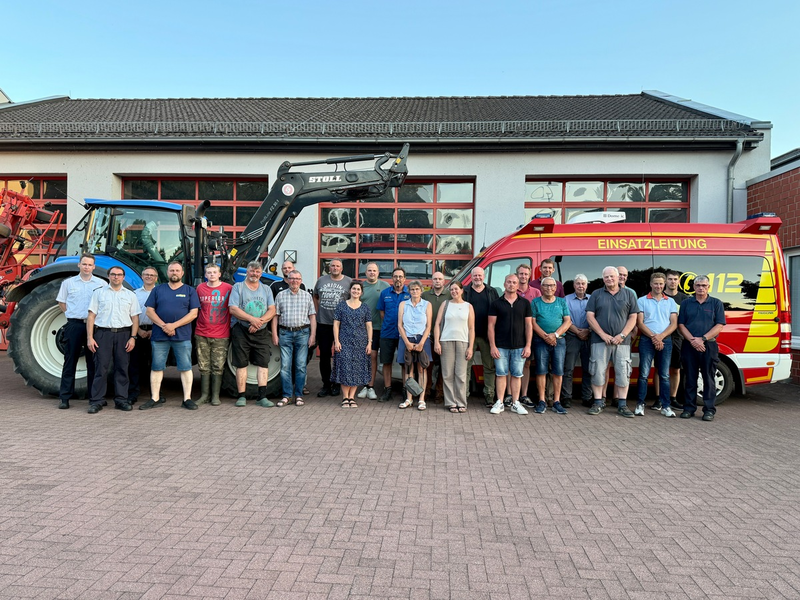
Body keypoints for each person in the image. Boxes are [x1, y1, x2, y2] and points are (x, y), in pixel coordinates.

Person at [141, 261, 200, 410]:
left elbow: (193, 314)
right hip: (160, 336)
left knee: (186, 367)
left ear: (182, 273)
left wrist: (173, 326)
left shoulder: (190, 291)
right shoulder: (158, 290)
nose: (174, 273)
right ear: (167, 273)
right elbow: (149, 311)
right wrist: (164, 326)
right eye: (172, 270)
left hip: (182, 336)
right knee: (157, 367)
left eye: (177, 270)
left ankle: (187, 398)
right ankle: (155, 398)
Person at [585, 266, 639, 417]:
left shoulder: (629, 294)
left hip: (622, 342)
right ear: (603, 279)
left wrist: (622, 335)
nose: (609, 279)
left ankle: (622, 404)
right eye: (606, 277)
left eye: (612, 276)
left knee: (623, 372)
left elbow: (633, 317)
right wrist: (602, 335)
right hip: (599, 340)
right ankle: (598, 402)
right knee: (597, 371)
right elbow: (590, 316)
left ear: (618, 277)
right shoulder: (596, 294)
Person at [85, 266, 140, 413]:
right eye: (113, 274)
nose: (116, 277)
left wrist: (133, 337)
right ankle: (97, 401)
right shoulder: (99, 293)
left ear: (123, 277)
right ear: (108, 276)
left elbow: (135, 318)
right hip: (103, 334)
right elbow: (91, 316)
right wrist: (90, 337)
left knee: (122, 368)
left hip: (123, 335)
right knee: (100, 368)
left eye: (119, 275)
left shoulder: (130, 295)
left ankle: (121, 400)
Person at [55, 253, 104, 409]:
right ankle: (64, 398)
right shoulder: (68, 283)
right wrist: (72, 314)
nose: (87, 267)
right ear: (79, 265)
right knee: (70, 361)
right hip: (74, 325)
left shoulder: (101, 283)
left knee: (93, 363)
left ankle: (94, 397)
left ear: (94, 267)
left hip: (94, 327)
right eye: (84, 264)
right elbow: (61, 302)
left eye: (90, 265)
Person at [228, 261, 277, 408]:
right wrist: (251, 320)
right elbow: (233, 309)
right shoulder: (238, 287)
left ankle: (262, 397)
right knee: (241, 363)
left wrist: (259, 323)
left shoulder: (266, 289)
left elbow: (272, 310)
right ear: (247, 272)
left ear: (261, 273)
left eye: (257, 271)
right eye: (252, 271)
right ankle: (241, 396)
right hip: (241, 330)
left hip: (261, 332)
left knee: (263, 363)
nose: (254, 274)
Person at [678, 276, 726, 421]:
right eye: (698, 285)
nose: (701, 288)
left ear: (708, 287)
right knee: (690, 378)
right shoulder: (686, 303)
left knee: (708, 378)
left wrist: (702, 339)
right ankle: (689, 408)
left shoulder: (716, 303)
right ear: (694, 286)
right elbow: (681, 325)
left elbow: (719, 325)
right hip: (689, 345)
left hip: (709, 345)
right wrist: (693, 340)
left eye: (704, 285)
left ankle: (709, 410)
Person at [487, 274, 533, 415]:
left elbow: (529, 325)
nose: (511, 285)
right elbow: (490, 326)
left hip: (520, 346)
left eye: (514, 282)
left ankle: (515, 403)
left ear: (518, 285)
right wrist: (493, 346)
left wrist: (528, 345)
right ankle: (500, 402)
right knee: (501, 374)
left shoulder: (525, 303)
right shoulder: (496, 303)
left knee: (517, 374)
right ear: (504, 284)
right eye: (509, 282)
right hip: (500, 345)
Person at [635, 272, 678, 417]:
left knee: (665, 375)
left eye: (661, 283)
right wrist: (655, 337)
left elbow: (674, 323)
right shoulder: (642, 300)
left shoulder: (670, 302)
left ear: (664, 284)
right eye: (656, 283)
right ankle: (640, 404)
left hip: (665, 340)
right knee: (643, 374)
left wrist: (661, 337)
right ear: (651, 284)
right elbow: (640, 323)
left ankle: (666, 406)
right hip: (647, 340)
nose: (658, 286)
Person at [272, 270, 316, 407]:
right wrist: (274, 334)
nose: (294, 281)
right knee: (285, 366)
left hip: (303, 333)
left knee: (301, 366)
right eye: (292, 278)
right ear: (288, 280)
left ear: (301, 280)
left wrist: (313, 335)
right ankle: (286, 396)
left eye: (297, 279)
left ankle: (298, 395)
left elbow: (312, 317)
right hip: (285, 333)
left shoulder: (307, 296)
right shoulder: (280, 295)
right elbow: (275, 317)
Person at [530, 277, 572, 415]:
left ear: (556, 288)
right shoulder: (535, 302)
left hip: (558, 341)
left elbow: (567, 321)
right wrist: (546, 337)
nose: (549, 288)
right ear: (541, 288)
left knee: (558, 371)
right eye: (546, 285)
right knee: (541, 371)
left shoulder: (561, 302)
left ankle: (556, 401)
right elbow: (533, 323)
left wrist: (555, 335)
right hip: (540, 340)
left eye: (552, 285)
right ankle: (542, 401)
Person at [433, 281, 474, 413]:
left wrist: (470, 347)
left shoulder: (468, 306)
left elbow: (471, 328)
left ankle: (461, 402)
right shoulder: (445, 304)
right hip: (446, 341)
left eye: (456, 289)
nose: (454, 292)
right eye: (451, 290)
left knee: (461, 374)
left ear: (462, 290)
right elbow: (437, 324)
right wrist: (437, 342)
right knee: (447, 374)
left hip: (463, 341)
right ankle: (450, 402)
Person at [313, 259, 352, 398]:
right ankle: (326, 384)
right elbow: (315, 296)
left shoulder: (349, 282)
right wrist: (317, 312)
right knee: (324, 355)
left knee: (340, 355)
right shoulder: (321, 280)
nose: (335, 268)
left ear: (342, 268)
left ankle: (337, 383)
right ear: (329, 268)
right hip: (323, 323)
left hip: (342, 325)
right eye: (332, 266)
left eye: (337, 266)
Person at [195, 264, 232, 406]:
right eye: (209, 272)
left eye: (214, 272)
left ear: (219, 274)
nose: (211, 275)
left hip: (221, 334)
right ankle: (204, 395)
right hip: (202, 333)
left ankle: (215, 396)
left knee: (218, 365)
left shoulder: (228, 288)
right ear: (205, 275)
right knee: (204, 365)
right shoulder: (200, 289)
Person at [332, 280, 372, 408]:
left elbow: (369, 326)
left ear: (361, 292)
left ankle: (352, 397)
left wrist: (369, 343)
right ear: (350, 291)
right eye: (354, 289)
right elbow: (336, 324)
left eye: (358, 289)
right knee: (345, 368)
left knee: (357, 370)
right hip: (344, 342)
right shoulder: (341, 305)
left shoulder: (365, 307)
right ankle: (345, 397)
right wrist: (336, 341)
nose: (356, 291)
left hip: (361, 343)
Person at [463, 266, 499, 406]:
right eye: (475, 276)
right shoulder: (465, 291)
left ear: (484, 276)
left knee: (489, 367)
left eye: (480, 275)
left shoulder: (491, 291)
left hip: (487, 336)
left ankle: (489, 396)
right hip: (467, 336)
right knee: (466, 367)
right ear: (471, 277)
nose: (477, 278)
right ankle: (463, 396)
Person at [397, 280, 433, 410]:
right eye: (412, 289)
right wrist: (406, 342)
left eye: (417, 289)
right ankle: (409, 398)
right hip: (406, 338)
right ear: (409, 291)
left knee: (422, 369)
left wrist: (422, 343)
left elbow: (429, 326)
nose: (415, 291)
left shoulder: (427, 305)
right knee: (408, 369)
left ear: (421, 291)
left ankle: (422, 399)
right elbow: (400, 325)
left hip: (422, 338)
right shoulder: (403, 305)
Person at [656, 269, 689, 410]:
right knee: (659, 369)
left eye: (675, 279)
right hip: (661, 337)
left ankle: (673, 398)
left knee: (675, 369)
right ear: (665, 281)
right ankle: (658, 399)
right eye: (670, 279)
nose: (672, 282)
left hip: (678, 338)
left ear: (679, 281)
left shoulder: (685, 299)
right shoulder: (659, 297)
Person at [377, 268, 411, 402]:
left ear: (404, 278)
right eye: (395, 276)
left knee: (404, 363)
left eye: (400, 276)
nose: (398, 279)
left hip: (404, 335)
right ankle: (387, 389)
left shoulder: (410, 293)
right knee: (386, 362)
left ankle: (405, 390)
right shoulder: (385, 293)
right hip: (387, 333)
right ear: (392, 278)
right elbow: (382, 314)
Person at [356, 262, 388, 401]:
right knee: (370, 357)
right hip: (368, 329)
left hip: (385, 329)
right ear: (365, 272)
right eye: (369, 270)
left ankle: (380, 386)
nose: (372, 273)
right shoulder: (361, 287)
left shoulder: (385, 286)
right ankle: (368, 386)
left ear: (378, 272)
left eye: (374, 270)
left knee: (385, 359)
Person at [128, 266, 158, 405]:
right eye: (146, 274)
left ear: (156, 278)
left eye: (152, 275)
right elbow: (129, 313)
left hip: (156, 331)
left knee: (156, 364)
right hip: (138, 331)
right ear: (142, 276)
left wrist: (155, 329)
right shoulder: (134, 294)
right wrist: (138, 330)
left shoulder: (161, 293)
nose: (149, 277)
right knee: (135, 364)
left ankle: (156, 393)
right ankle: (133, 393)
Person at [515, 263, 541, 408]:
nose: (523, 276)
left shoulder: (536, 292)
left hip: (530, 332)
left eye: (526, 274)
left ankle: (524, 395)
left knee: (526, 364)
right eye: (521, 273)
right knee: (511, 365)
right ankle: (511, 395)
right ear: (517, 274)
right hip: (515, 332)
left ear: (529, 275)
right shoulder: (512, 289)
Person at [422, 271, 448, 401]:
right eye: (435, 279)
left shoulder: (450, 295)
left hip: (446, 336)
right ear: (432, 281)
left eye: (440, 279)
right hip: (429, 336)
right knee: (428, 364)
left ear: (444, 281)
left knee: (444, 366)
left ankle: (440, 392)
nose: (437, 281)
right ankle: (426, 390)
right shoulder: (425, 295)